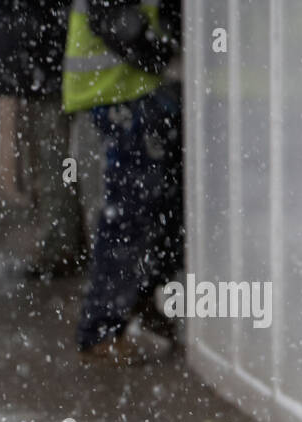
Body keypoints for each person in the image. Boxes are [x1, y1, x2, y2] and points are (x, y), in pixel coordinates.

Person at [63, 0, 183, 365]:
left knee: (157, 210)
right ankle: (102, 330)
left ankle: (135, 304)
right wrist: (164, 56)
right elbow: (116, 21)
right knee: (128, 216)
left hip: (134, 93)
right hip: (117, 95)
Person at [0, 0, 87, 279]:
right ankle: (62, 243)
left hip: (44, 65)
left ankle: (60, 246)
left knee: (52, 159)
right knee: (50, 158)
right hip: (41, 63)